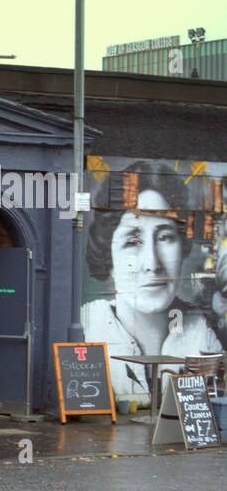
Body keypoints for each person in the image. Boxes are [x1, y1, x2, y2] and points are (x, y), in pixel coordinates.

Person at [82, 161, 223, 403]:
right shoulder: (87, 331)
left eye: (165, 237)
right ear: (108, 255)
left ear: (183, 248)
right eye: (132, 241)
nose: (152, 263)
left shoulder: (204, 334)